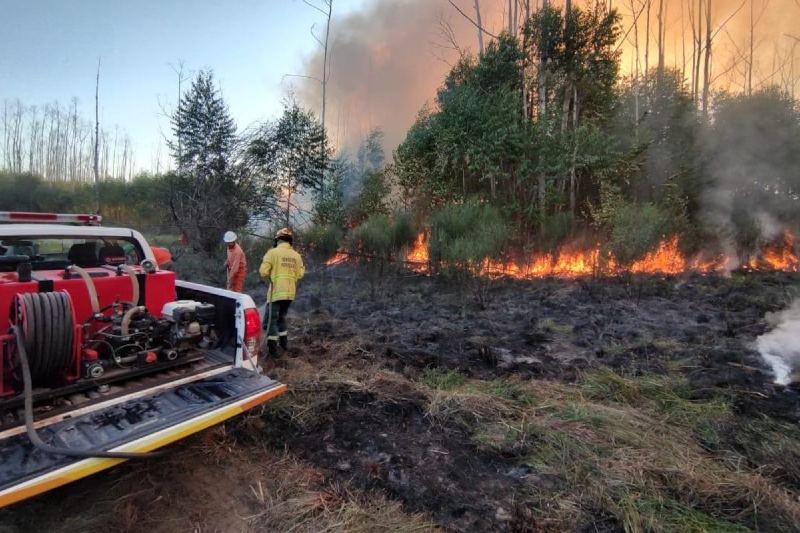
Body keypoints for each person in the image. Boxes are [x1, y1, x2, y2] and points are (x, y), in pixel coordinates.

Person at [259, 228, 304, 357]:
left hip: (276, 292)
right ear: (290, 241)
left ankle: (273, 351)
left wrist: (271, 274)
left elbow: (263, 272)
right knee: (281, 318)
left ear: (278, 240)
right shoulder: (297, 255)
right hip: (290, 294)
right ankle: (284, 344)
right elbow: (300, 274)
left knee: (270, 321)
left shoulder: (272, 253)